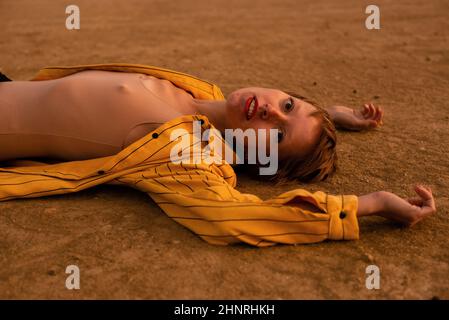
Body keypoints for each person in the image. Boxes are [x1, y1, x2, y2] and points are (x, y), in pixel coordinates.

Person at [0, 63, 436, 247]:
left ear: (260, 156)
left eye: (277, 134)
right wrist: (334, 116)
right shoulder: (203, 94)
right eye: (286, 104)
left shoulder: (189, 150)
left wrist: (371, 204)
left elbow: (236, 218)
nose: (269, 109)